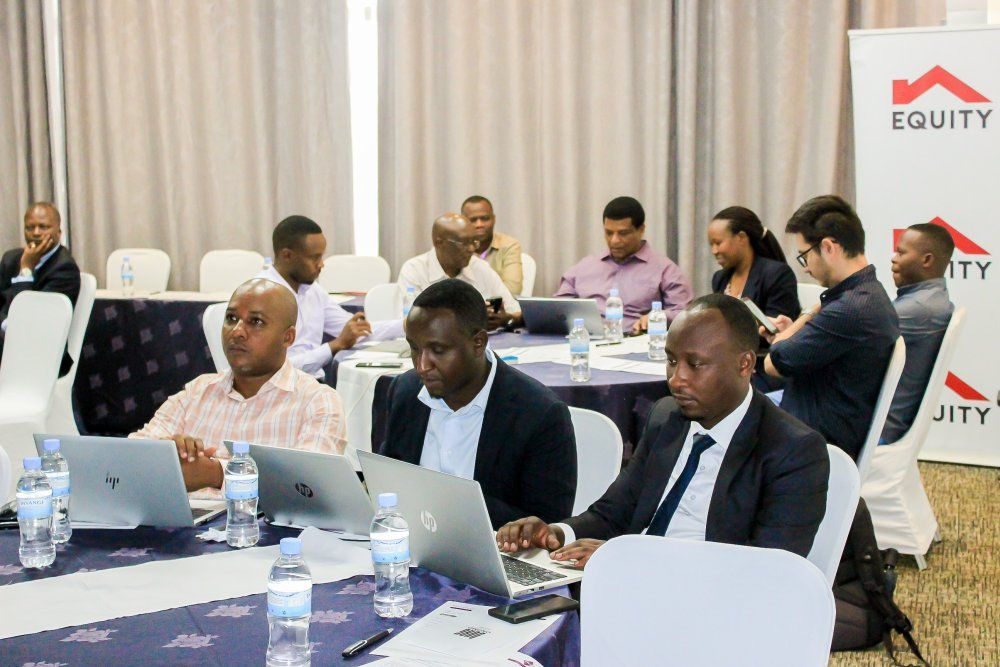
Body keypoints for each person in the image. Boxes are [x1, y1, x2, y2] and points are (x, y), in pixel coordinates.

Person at [496, 294, 829, 567]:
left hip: (710, 603)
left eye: (694, 365)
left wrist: (631, 560)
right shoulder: (666, 416)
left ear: (744, 364)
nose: (676, 379)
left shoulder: (792, 450)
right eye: (671, 361)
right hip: (631, 579)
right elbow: (614, 512)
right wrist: (556, 533)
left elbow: (764, 570)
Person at [377, 279, 577, 529]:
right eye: (415, 349)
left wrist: (452, 503)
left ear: (478, 343)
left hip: (496, 549)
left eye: (438, 350)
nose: (422, 365)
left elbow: (546, 526)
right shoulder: (404, 392)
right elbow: (386, 481)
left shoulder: (539, 414)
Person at [131, 279, 347, 492]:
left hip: (262, 518)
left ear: (287, 337)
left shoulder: (317, 402)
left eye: (256, 322)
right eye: (231, 318)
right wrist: (167, 453)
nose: (237, 331)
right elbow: (129, 457)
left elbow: (308, 488)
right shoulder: (198, 391)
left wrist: (217, 474)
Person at [763, 195, 899, 460]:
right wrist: (807, 319)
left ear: (828, 247)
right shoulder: (868, 293)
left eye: (804, 256)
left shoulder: (847, 310)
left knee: (719, 413)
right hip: (825, 416)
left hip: (812, 441)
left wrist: (808, 314)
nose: (805, 269)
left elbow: (773, 363)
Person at [258, 215, 399, 378]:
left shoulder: (313, 291)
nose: (321, 264)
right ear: (287, 256)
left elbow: (357, 331)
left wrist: (404, 325)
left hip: (312, 383)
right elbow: (273, 369)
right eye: (314, 257)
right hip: (277, 387)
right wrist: (334, 346)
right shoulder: (261, 297)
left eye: (321, 256)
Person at [555, 196, 693, 332]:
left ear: (641, 229)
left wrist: (658, 317)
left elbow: (685, 313)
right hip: (586, 338)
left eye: (623, 233)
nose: (614, 241)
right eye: (609, 233)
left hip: (634, 339)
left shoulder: (665, 269)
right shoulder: (585, 267)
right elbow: (558, 306)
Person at [881, 223, 955, 443]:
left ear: (927, 260)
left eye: (901, 253)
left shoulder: (918, 309)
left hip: (880, 430)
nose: (893, 259)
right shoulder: (931, 298)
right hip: (885, 421)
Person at [397, 213, 521, 330]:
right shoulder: (414, 271)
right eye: (464, 243)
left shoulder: (480, 268)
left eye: (474, 242)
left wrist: (504, 319)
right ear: (438, 242)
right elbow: (410, 323)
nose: (472, 249)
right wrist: (470, 320)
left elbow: (515, 311)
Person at [0, 202, 81, 376]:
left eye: (43, 227)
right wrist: (6, 326)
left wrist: (26, 270)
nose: (36, 233)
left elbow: (33, 321)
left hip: (43, 355)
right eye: (30, 227)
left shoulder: (65, 268)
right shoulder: (10, 259)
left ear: (58, 232)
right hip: (8, 345)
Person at [708, 205, 799, 318]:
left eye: (718, 243)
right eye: (711, 245)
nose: (714, 251)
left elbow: (777, 326)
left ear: (741, 237)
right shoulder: (719, 279)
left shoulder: (777, 275)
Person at [462, 195, 523, 295]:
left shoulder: (509, 245)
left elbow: (513, 290)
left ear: (494, 219)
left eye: (485, 218)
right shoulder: (456, 247)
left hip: (498, 305)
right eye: (473, 220)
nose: (479, 224)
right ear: (463, 222)